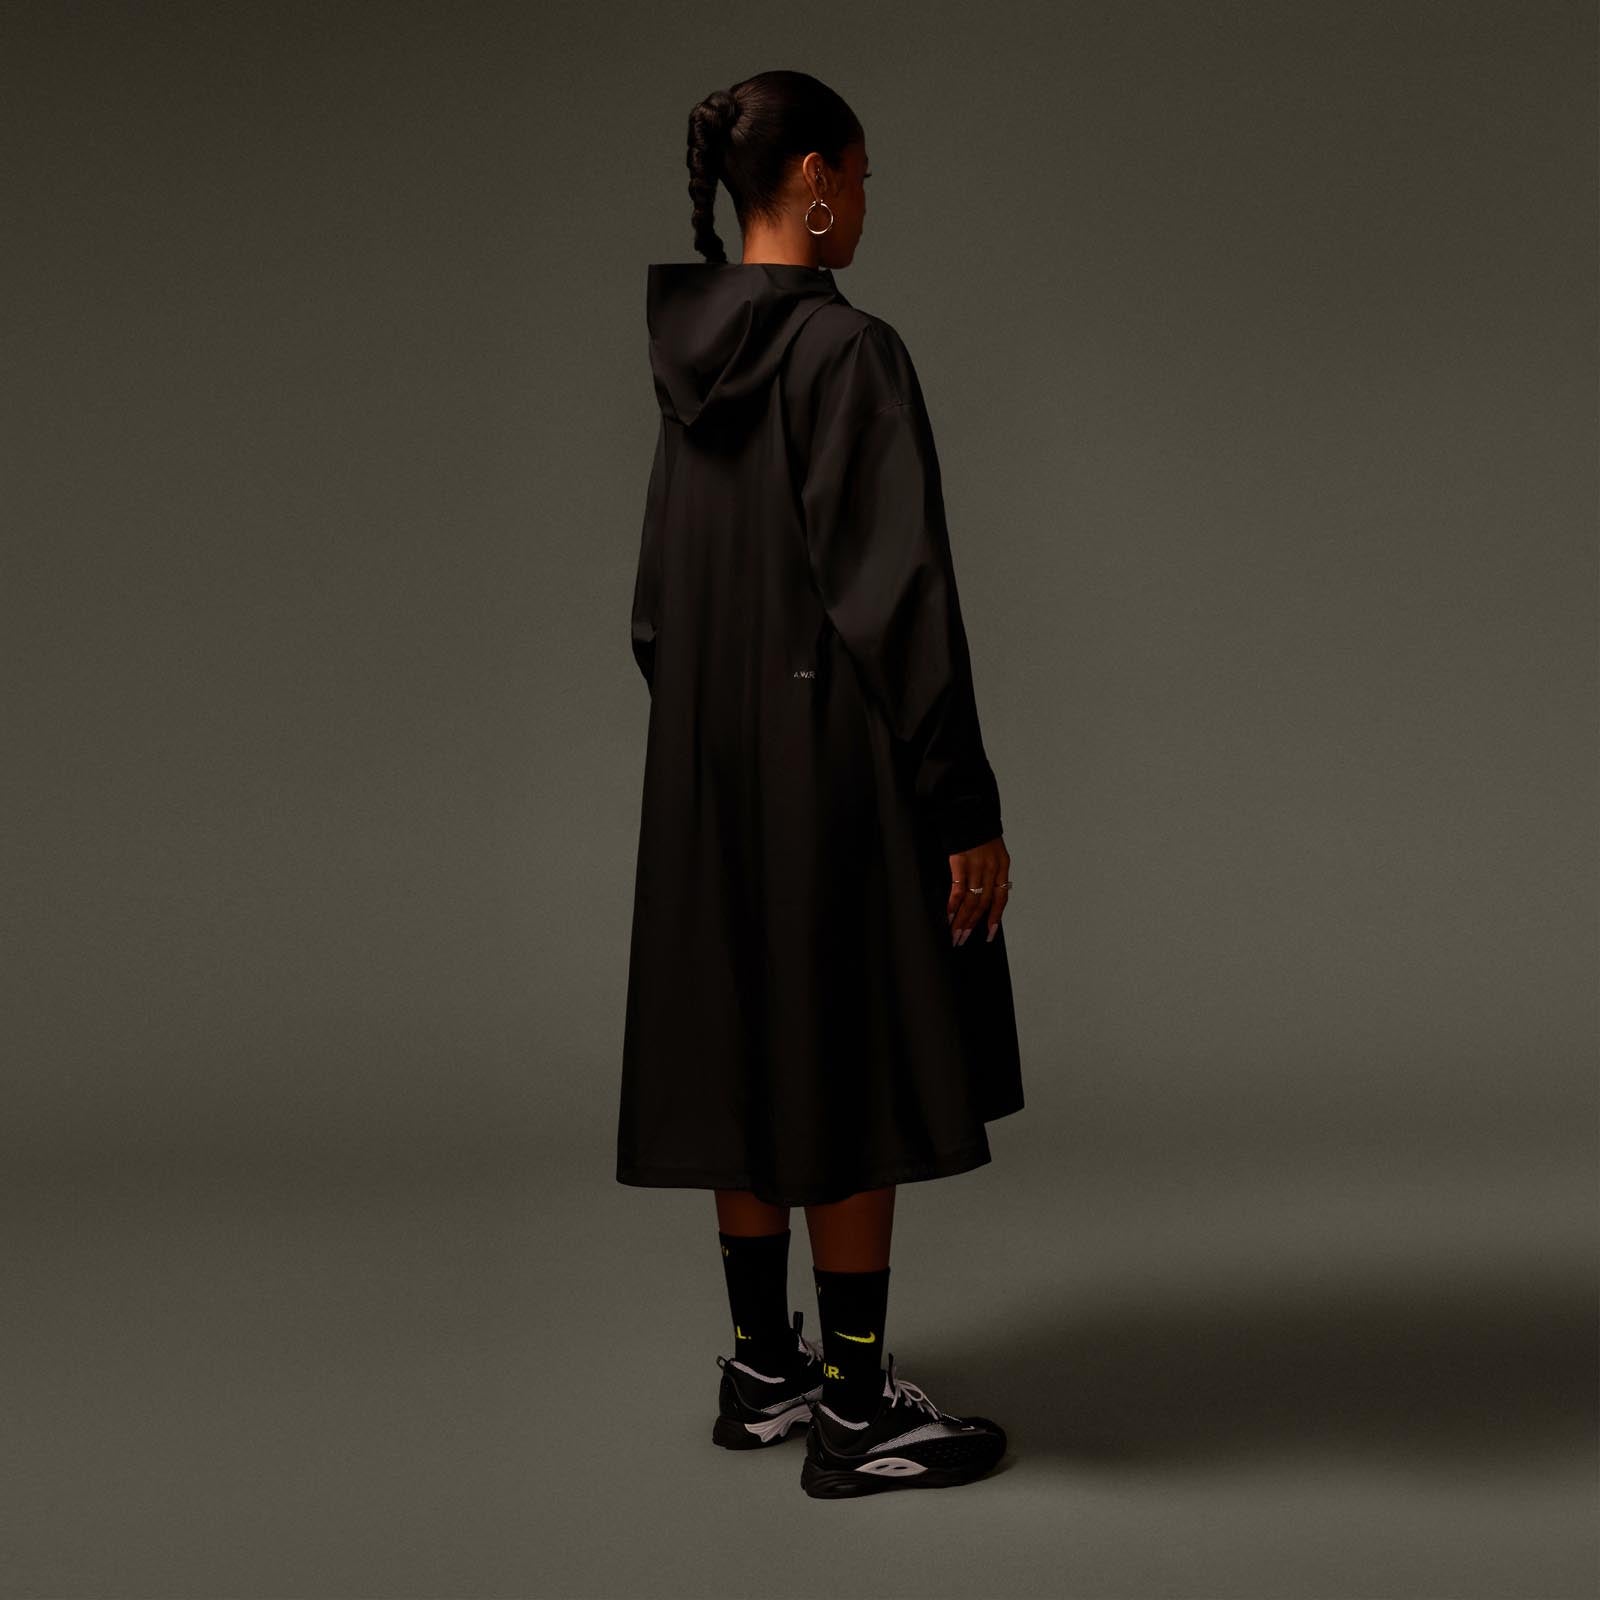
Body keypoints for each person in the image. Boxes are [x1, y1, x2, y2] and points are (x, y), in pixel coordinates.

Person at [618, 69, 1024, 1498]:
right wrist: (961, 802)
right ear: (812, 181)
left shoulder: (689, 366)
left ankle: (760, 1371)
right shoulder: (850, 353)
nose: (864, 201)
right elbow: (899, 596)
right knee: (851, 1053)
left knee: (748, 1043)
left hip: (711, 770)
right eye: (861, 173)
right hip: (840, 765)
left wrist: (724, 731)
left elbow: (653, 614)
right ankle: (856, 1410)